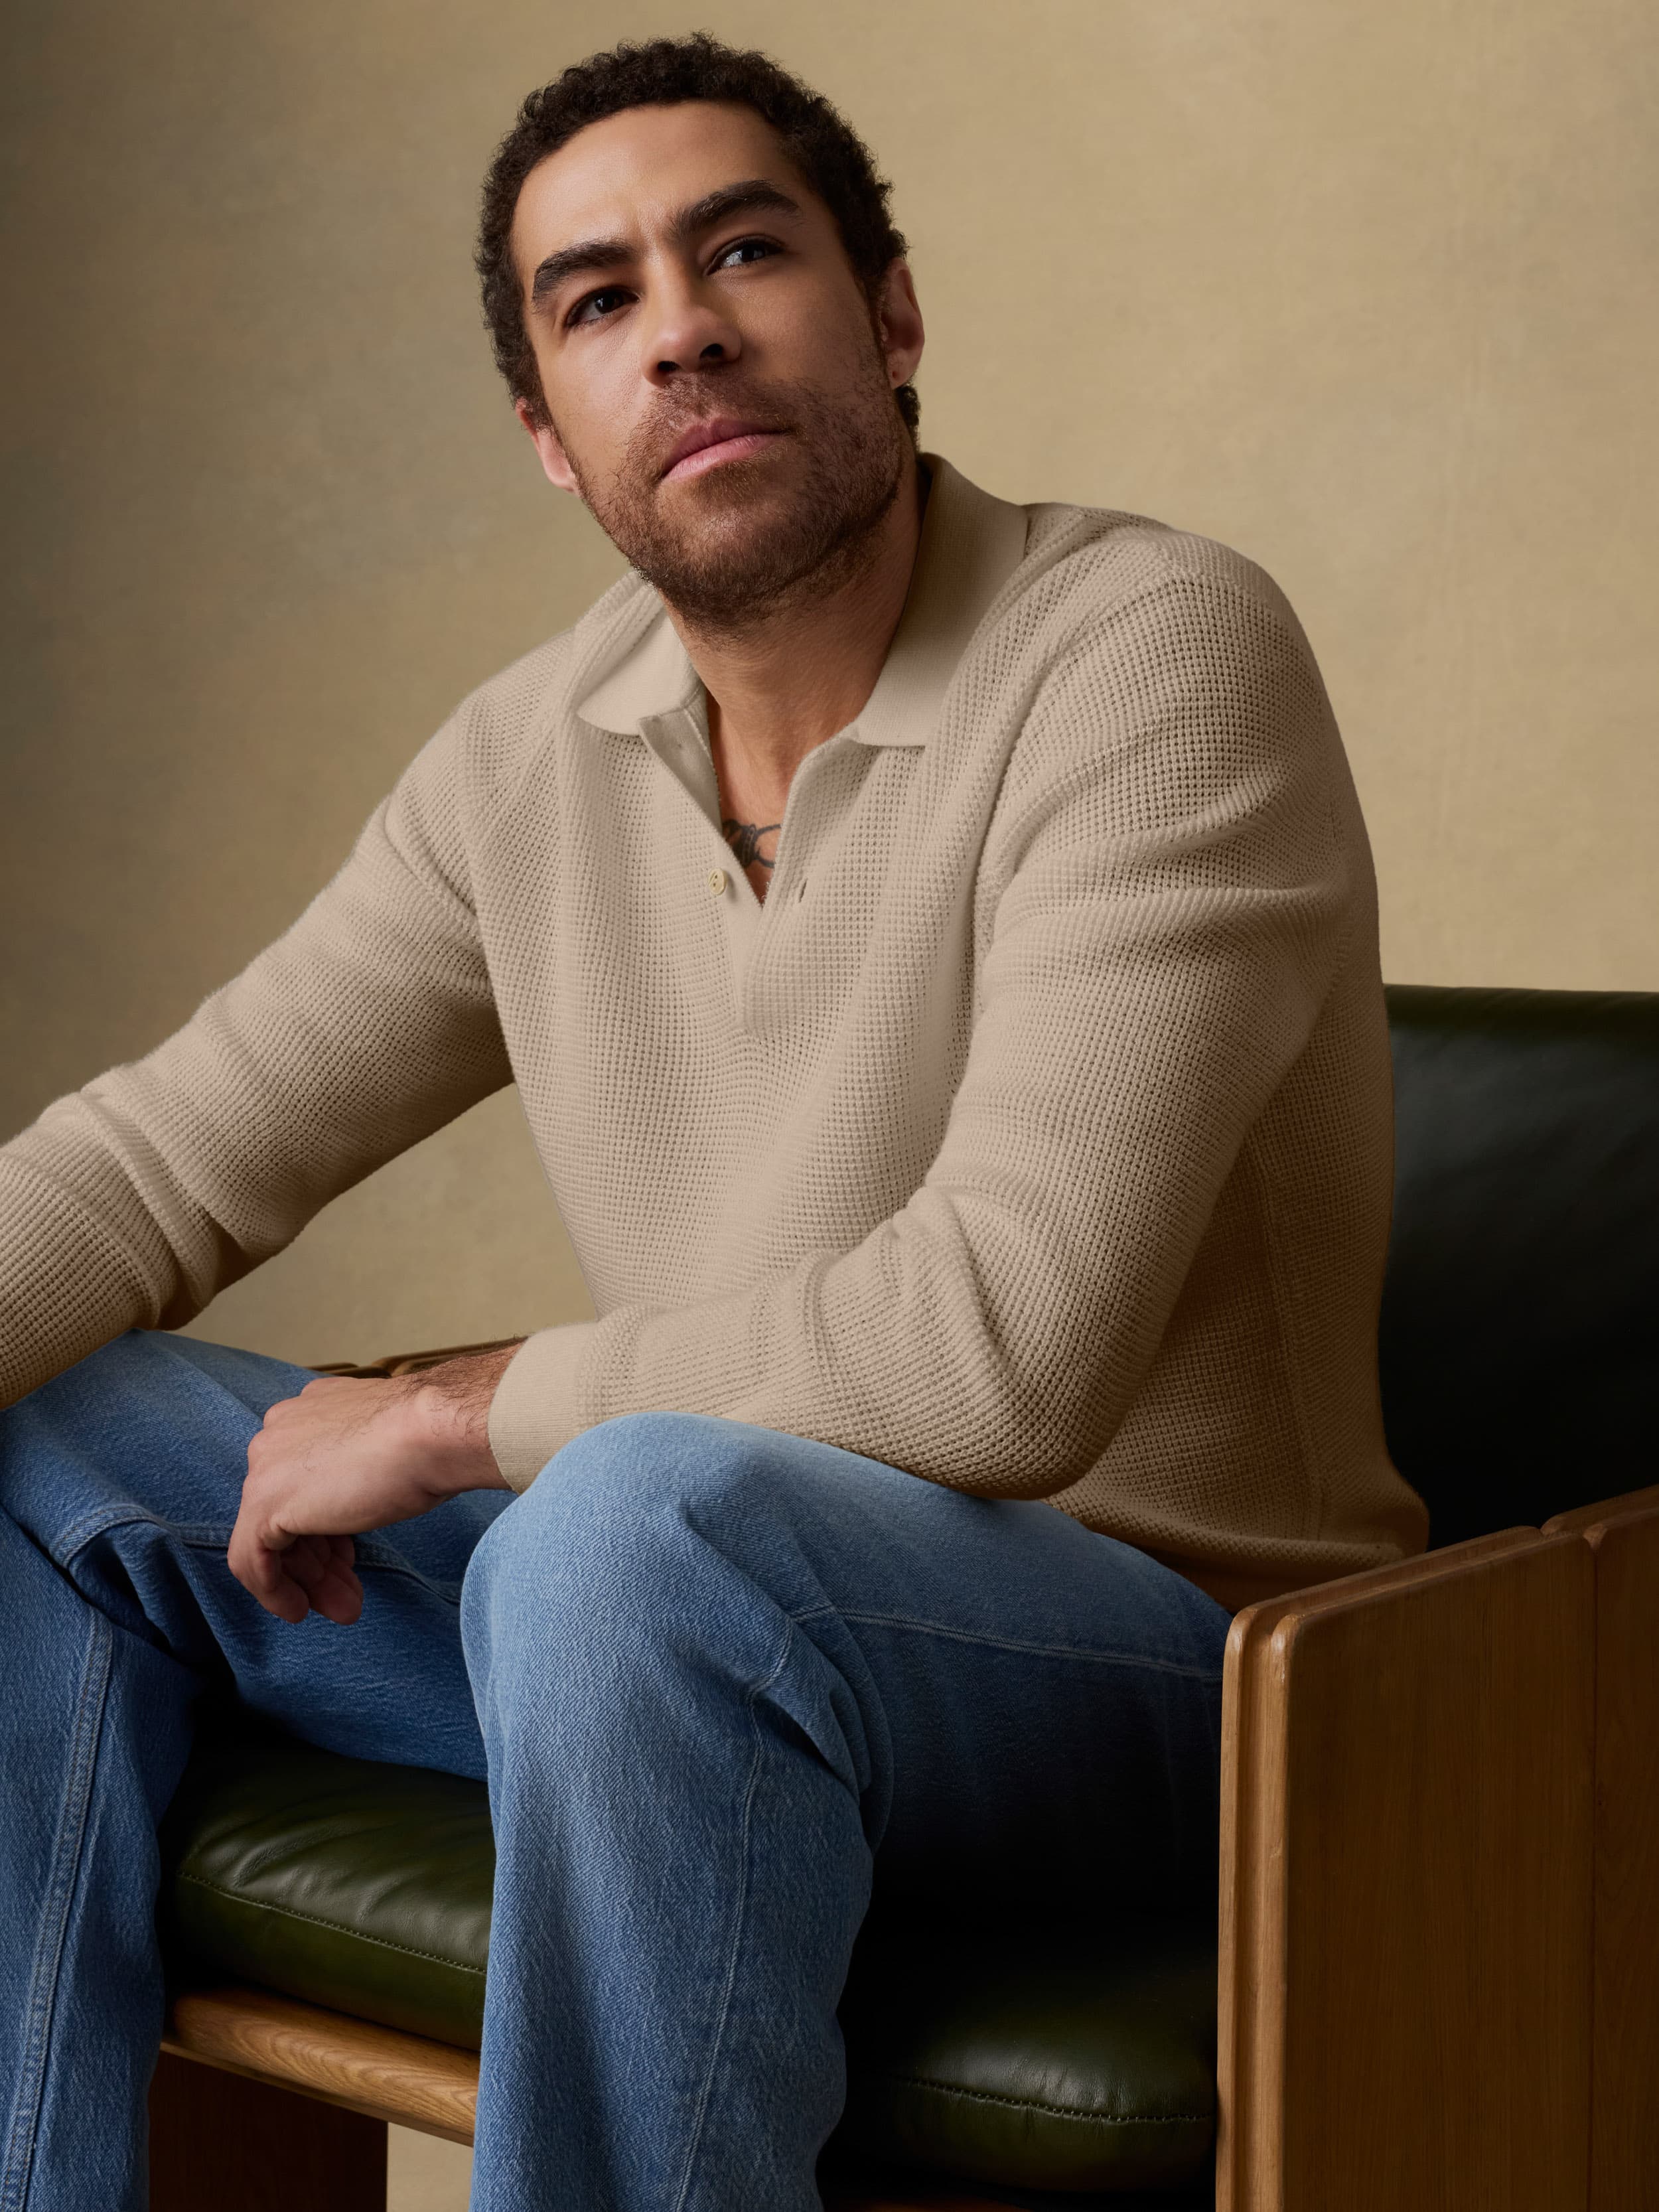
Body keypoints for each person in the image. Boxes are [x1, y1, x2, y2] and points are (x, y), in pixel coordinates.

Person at [0, 33, 1429, 2212]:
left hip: (1181, 1669)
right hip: (682, 1605)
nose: (678, 325)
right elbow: (155, 1163)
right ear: (552, 443)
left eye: (742, 249)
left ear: (890, 313)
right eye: (596, 303)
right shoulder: (530, 762)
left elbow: (1004, 1344)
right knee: (60, 1439)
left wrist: (466, 1413)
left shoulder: (1148, 654)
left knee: (628, 1523)